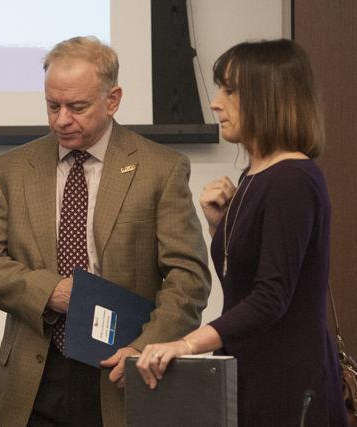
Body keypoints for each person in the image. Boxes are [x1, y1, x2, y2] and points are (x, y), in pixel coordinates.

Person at [0, 36, 210, 427]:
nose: (62, 119)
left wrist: (144, 347)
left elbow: (188, 277)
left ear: (112, 100)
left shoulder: (160, 169)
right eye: (52, 105)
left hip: (121, 370)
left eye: (77, 107)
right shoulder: (10, 170)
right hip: (35, 375)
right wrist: (53, 292)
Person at [135, 39, 348, 426]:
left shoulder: (292, 179)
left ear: (267, 96)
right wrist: (218, 224)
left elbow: (270, 298)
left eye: (229, 91)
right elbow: (241, 285)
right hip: (252, 372)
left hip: (287, 385)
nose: (216, 102)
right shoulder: (254, 176)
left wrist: (186, 344)